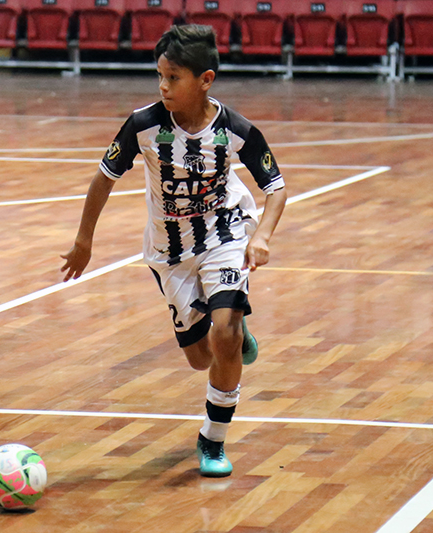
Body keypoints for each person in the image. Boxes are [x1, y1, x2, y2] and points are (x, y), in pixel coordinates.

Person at [60, 24, 287, 477]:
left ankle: (213, 440)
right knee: (200, 357)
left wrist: (261, 236)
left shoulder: (235, 129)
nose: (163, 86)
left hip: (225, 234)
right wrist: (84, 241)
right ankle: (233, 336)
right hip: (169, 252)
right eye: (159, 76)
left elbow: (276, 189)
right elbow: (104, 178)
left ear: (205, 79)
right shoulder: (143, 126)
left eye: (174, 78)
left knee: (224, 337)